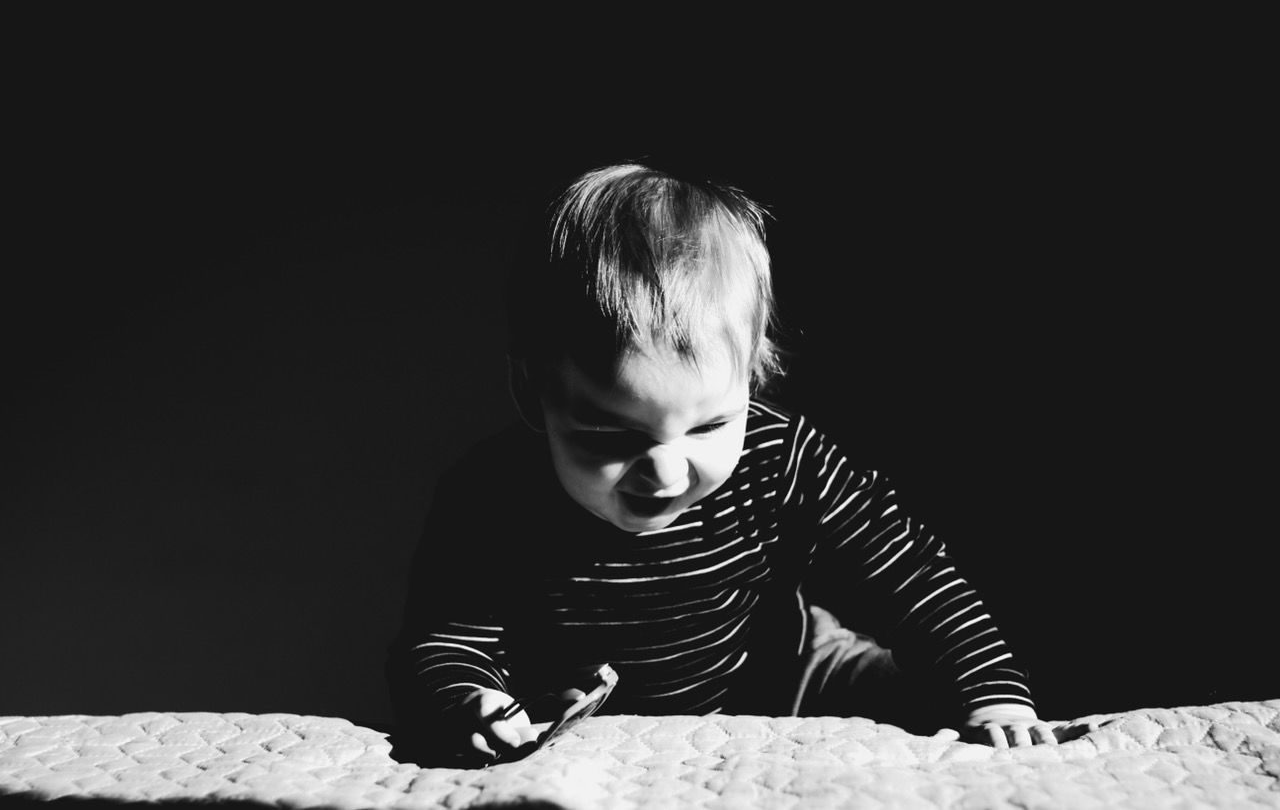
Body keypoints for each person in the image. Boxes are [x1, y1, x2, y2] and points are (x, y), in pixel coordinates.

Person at [386, 162, 1062, 767]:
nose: (668, 474)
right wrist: (467, 699)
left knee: (915, 699)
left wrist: (990, 692)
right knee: (471, 735)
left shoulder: (783, 454)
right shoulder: (489, 499)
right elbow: (446, 644)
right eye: (613, 437)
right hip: (578, 706)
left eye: (709, 425)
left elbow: (908, 573)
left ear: (752, 378)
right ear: (533, 397)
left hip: (788, 673)